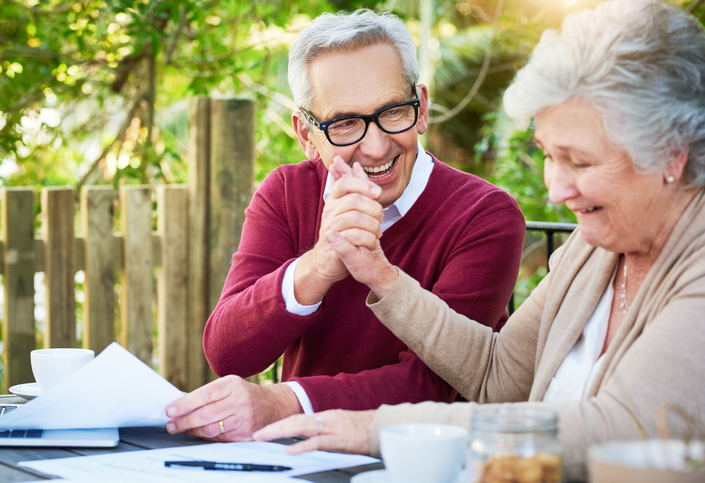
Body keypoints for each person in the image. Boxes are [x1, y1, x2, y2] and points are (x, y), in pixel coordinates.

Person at [252, 0, 705, 479]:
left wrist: (378, 428)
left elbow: (615, 428)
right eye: (549, 155)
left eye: (580, 161)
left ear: (670, 156)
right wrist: (379, 275)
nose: (555, 190)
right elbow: (498, 374)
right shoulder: (597, 248)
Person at [164, 10, 525, 441]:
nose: (375, 147)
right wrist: (319, 266)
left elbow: (437, 385)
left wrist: (284, 403)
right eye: (346, 124)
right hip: (307, 457)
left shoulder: (485, 214)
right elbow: (228, 352)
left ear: (422, 108)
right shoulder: (286, 192)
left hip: (429, 458)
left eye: (393, 112)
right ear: (306, 134)